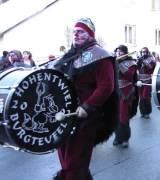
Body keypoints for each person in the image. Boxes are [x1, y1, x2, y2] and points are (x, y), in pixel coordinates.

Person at [53, 17, 118, 180]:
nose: (76, 35)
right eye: (74, 32)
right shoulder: (69, 56)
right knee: (66, 158)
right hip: (65, 115)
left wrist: (87, 106)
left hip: (85, 116)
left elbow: (106, 86)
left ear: (90, 34)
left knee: (75, 162)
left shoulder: (101, 56)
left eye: (80, 31)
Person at [113, 45, 139, 148]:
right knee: (115, 116)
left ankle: (125, 139)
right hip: (116, 91)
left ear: (125, 53)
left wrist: (119, 64)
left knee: (124, 117)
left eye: (120, 52)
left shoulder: (131, 63)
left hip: (126, 92)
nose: (118, 54)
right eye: (117, 52)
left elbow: (129, 75)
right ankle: (117, 137)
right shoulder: (115, 62)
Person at [137, 47, 156, 119]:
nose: (143, 53)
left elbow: (150, 67)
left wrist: (143, 61)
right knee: (141, 97)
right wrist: (138, 62)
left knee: (146, 97)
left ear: (147, 52)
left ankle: (147, 112)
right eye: (142, 52)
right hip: (140, 79)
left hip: (148, 79)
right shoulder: (140, 58)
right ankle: (142, 112)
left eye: (145, 52)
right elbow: (137, 68)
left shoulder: (151, 59)